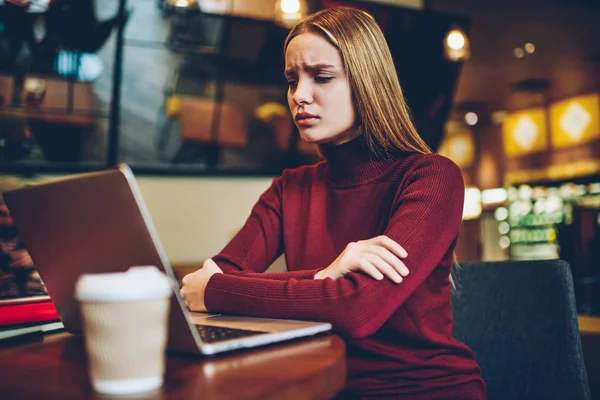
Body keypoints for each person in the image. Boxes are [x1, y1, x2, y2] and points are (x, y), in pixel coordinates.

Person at [180, 7, 486, 399]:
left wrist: (221, 288)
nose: (299, 96)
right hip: (321, 387)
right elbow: (203, 285)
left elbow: (357, 311)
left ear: (367, 83)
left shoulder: (432, 177)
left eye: (321, 77)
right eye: (292, 80)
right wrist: (330, 274)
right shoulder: (291, 188)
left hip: (423, 389)